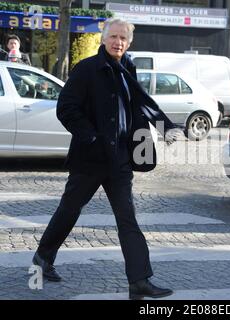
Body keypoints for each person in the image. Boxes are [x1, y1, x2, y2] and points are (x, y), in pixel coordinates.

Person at [32, 17, 181, 300]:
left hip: (121, 159)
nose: (118, 42)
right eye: (113, 37)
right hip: (90, 158)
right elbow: (66, 108)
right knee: (69, 210)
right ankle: (42, 257)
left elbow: (141, 103)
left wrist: (165, 127)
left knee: (128, 219)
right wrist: (91, 137)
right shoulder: (87, 69)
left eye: (123, 38)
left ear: (129, 42)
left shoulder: (128, 68)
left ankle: (139, 281)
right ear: (103, 38)